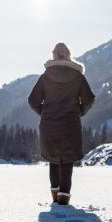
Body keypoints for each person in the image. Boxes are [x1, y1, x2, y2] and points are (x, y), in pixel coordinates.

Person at [28, 43, 96, 205]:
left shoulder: (46, 76)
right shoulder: (77, 76)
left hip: (49, 124)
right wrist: (79, 111)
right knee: (67, 159)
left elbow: (33, 100)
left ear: (53, 55)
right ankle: (64, 197)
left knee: (53, 158)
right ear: (68, 55)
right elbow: (89, 99)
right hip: (70, 124)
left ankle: (55, 194)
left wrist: (44, 113)